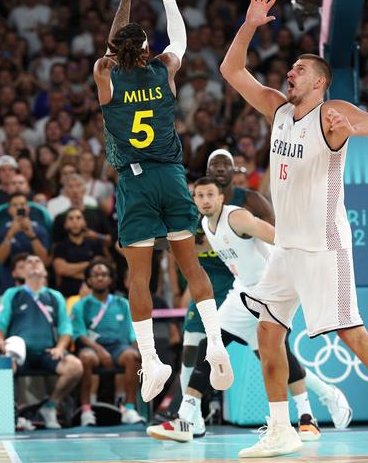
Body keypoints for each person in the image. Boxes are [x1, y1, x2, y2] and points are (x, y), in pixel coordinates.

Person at [219, 0, 368, 458]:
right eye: (291, 69)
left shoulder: (331, 115)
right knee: (267, 331)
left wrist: (355, 128)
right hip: (288, 248)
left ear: (319, 82)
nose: (290, 73)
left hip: (324, 246)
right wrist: (251, 25)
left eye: (299, 70)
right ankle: (280, 427)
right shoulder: (278, 109)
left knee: (349, 331)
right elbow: (232, 70)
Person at [92, 0, 231, 402]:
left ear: (117, 51)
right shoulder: (164, 70)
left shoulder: (105, 74)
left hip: (134, 183)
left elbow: (115, 45)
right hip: (172, 177)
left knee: (139, 277)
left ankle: (151, 362)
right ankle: (216, 342)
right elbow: (181, 40)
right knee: (192, 267)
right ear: (147, 49)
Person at [147, 177, 352, 444]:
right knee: (242, 351)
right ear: (194, 200)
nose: (206, 200)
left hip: (271, 287)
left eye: (211, 194)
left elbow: (278, 237)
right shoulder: (205, 227)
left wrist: (308, 268)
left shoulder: (238, 218)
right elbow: (176, 243)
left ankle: (306, 414)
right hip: (243, 290)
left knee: (255, 352)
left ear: (222, 197)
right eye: (200, 196)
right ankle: (315, 407)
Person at [179, 148, 275, 400]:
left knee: (272, 355)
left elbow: (276, 235)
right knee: (198, 348)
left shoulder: (245, 207)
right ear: (207, 173)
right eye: (215, 165)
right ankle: (188, 415)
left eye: (226, 164)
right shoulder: (199, 215)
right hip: (218, 285)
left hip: (261, 285)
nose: (220, 169)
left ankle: (314, 403)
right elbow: (182, 247)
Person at [0, 255, 83, 429]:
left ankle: (50, 407)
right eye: (28, 262)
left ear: (45, 272)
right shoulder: (12, 294)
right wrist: (2, 345)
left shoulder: (55, 296)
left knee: (75, 366)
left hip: (47, 352)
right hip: (20, 353)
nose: (33, 263)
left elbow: (66, 329)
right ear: (22, 272)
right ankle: (13, 415)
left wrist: (60, 347)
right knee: (4, 366)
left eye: (37, 261)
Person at [71, 260, 145, 426]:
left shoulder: (123, 304)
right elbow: (80, 334)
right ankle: (86, 410)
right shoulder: (81, 306)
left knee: (133, 357)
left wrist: (138, 350)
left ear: (110, 279)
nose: (100, 278)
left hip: (119, 347)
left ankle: (129, 409)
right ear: (88, 280)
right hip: (93, 348)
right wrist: (100, 351)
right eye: (95, 275)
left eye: (104, 275)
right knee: (85, 358)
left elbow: (132, 333)